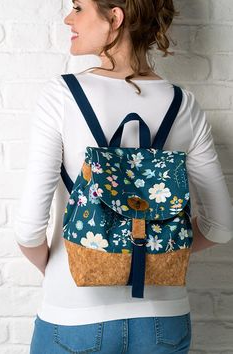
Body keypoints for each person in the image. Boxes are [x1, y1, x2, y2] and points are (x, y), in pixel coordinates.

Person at [13, 0, 233, 353]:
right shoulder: (183, 104)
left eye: (78, 7)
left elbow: (28, 230)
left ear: (114, 17)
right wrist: (156, 251)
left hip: (75, 317)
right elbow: (220, 226)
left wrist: (65, 265)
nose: (69, 18)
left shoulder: (62, 96)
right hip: (165, 321)